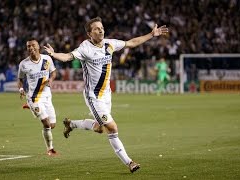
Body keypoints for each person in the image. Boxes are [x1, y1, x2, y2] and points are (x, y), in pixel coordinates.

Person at [44, 17, 168, 173]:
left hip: (107, 95)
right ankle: (129, 162)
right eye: (96, 28)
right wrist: (54, 54)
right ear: (89, 33)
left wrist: (151, 34)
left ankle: (72, 124)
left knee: (99, 128)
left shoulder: (110, 44)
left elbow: (132, 42)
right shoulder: (85, 48)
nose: (100, 30)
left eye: (101, 27)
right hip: (93, 97)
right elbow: (69, 56)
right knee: (112, 127)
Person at [17, 39, 58, 156]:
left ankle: (30, 107)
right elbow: (20, 79)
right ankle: (50, 149)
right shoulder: (23, 64)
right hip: (33, 97)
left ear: (38, 47)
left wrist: (50, 79)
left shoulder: (47, 59)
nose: (31, 48)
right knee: (46, 123)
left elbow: (54, 72)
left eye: (33, 45)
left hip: (46, 96)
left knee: (52, 125)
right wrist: (21, 89)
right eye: (28, 46)